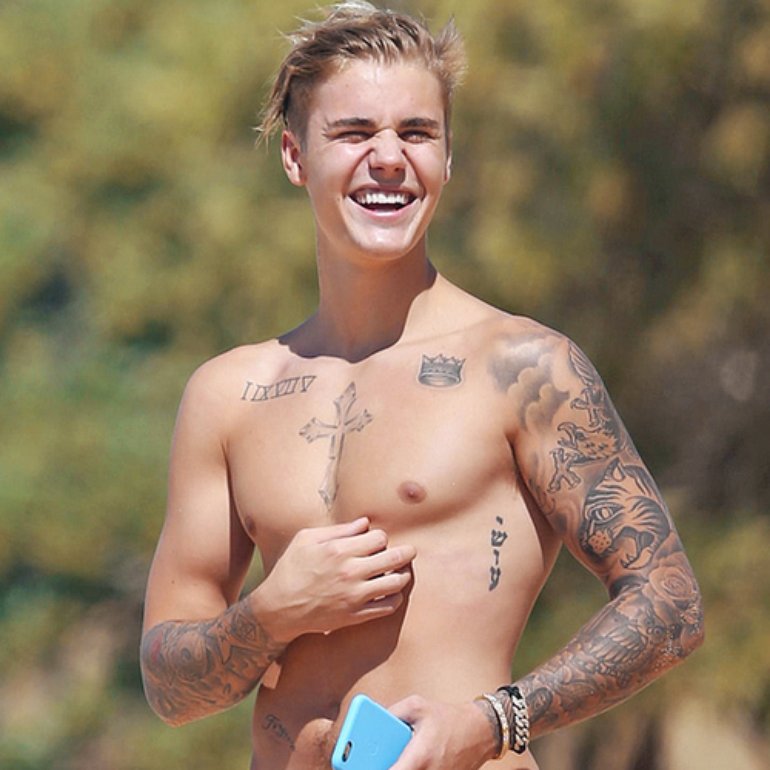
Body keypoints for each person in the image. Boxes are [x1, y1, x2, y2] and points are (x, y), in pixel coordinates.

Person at [139, 2, 704, 768]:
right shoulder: (228, 395)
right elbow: (170, 690)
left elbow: (669, 605)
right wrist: (271, 614)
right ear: (294, 156)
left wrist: (493, 722)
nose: (388, 158)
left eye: (416, 132)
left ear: (447, 156)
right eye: (353, 133)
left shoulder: (522, 367)